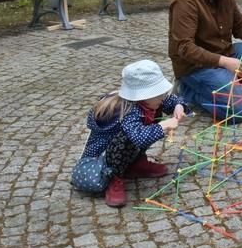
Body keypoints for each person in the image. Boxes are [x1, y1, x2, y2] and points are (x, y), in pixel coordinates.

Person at [71, 60, 187, 208]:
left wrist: (179, 106)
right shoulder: (127, 110)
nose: (162, 96)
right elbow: (138, 137)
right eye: (158, 93)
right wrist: (163, 125)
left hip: (125, 152)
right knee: (129, 136)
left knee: (151, 120)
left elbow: (170, 100)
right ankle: (114, 177)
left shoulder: (149, 101)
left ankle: (135, 163)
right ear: (142, 95)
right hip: (102, 159)